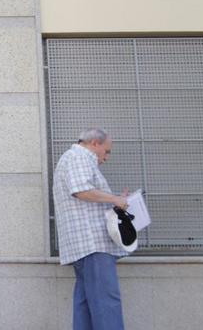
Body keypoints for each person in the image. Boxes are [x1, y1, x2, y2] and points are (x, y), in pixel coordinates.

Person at [52, 128, 130, 330]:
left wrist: (115, 201)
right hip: (93, 243)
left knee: (85, 304)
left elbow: (83, 193)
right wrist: (115, 199)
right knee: (106, 302)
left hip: (83, 246)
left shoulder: (71, 158)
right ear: (95, 143)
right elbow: (80, 190)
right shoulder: (79, 157)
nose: (106, 157)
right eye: (107, 151)